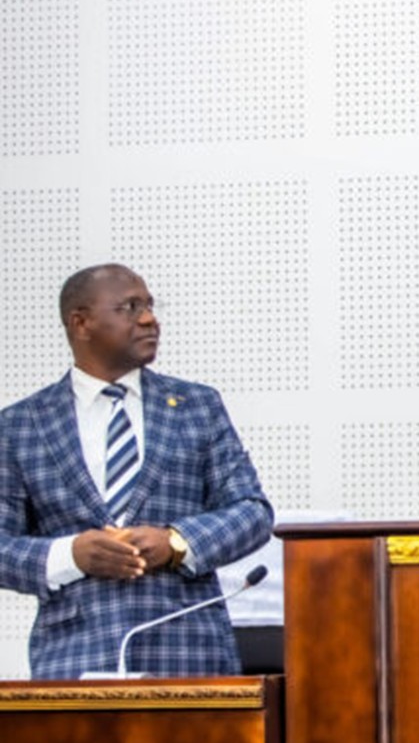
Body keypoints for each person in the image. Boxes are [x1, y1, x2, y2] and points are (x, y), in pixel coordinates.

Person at [0, 264, 274, 678]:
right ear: (81, 322)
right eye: (129, 307)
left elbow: (252, 511)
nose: (149, 319)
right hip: (73, 660)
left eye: (149, 306)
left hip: (190, 655)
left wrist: (176, 542)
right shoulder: (22, 425)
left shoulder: (197, 406)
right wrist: (70, 555)